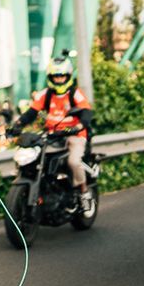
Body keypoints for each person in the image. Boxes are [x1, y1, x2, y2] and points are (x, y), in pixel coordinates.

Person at [16, 53, 97, 199]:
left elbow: (86, 112)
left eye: (62, 76)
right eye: (55, 76)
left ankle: (84, 192)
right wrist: (18, 124)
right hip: (52, 136)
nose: (59, 79)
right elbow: (31, 113)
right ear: (50, 77)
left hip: (74, 135)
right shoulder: (45, 95)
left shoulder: (75, 93)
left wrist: (78, 126)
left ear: (68, 76)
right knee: (35, 159)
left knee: (73, 161)